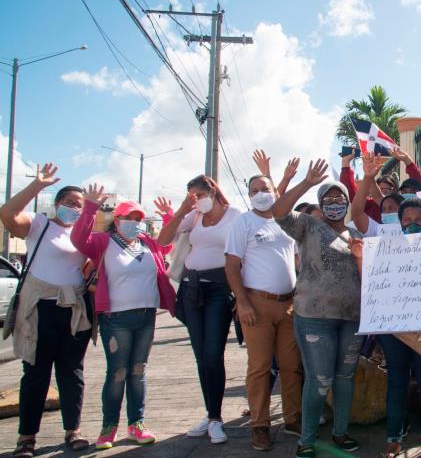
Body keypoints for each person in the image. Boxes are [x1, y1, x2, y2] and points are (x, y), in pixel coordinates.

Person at [351, 153, 421, 457]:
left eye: (418, 221)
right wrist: (367, 179)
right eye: (406, 219)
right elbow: (357, 214)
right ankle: (394, 438)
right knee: (396, 381)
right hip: (391, 328)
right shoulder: (383, 236)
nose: (411, 224)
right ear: (398, 220)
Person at [270, 160, 365, 458]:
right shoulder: (308, 226)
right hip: (315, 318)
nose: (335, 204)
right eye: (329, 200)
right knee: (319, 379)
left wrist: (360, 256)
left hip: (352, 319)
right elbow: (279, 212)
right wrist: (306, 183)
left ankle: (340, 433)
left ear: (348, 204)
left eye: (340, 199)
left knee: (344, 378)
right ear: (321, 204)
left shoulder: (355, 236)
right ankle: (307, 439)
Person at [71, 185, 177, 450]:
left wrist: (168, 217)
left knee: (138, 371)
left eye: (138, 219)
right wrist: (90, 208)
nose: (134, 223)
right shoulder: (103, 242)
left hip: (146, 316)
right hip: (115, 318)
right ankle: (109, 427)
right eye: (128, 218)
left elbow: (168, 244)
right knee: (117, 372)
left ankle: (136, 424)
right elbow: (78, 239)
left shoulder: (147, 243)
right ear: (116, 220)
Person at [1, 165, 91, 457]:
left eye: (80, 205)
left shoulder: (83, 233)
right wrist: (36, 186)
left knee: (72, 373)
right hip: (40, 309)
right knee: (36, 374)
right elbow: (7, 215)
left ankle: (73, 431)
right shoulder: (39, 224)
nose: (75, 209)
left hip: (73, 310)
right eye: (70, 204)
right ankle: (26, 438)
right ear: (57, 204)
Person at [156, 175, 240, 444]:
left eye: (198, 196)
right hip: (192, 288)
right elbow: (163, 240)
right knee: (200, 354)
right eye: (190, 197)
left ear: (212, 191)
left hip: (220, 288)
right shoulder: (192, 218)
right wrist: (182, 210)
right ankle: (210, 413)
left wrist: (241, 293)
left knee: (213, 352)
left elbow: (244, 253)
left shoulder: (234, 215)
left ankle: (216, 419)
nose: (196, 201)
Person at [224, 174, 302, 452]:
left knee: (292, 366)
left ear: (274, 191)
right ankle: (260, 425)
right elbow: (232, 265)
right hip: (257, 305)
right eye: (254, 190)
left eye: (264, 189)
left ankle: (293, 420)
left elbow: (295, 258)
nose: (260, 193)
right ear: (248, 195)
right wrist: (242, 302)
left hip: (290, 305)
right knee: (259, 368)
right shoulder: (243, 222)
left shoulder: (286, 221)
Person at [341, 146, 421, 223]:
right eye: (381, 190)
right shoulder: (369, 205)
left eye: (388, 190)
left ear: (395, 191)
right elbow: (352, 195)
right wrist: (345, 165)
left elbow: (416, 184)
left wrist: (407, 159)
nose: (384, 194)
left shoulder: (405, 208)